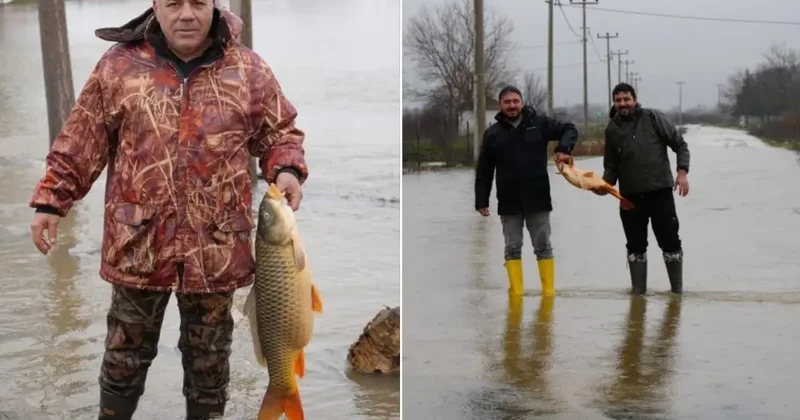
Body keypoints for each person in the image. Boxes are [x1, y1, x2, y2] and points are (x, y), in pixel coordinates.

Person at [28, 2, 308, 419]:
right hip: (137, 246)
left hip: (216, 250)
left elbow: (280, 133)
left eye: (197, 2)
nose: (187, 14)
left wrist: (286, 169)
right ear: (156, 5)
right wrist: (52, 200)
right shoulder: (118, 65)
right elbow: (80, 140)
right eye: (174, 3)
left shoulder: (248, 69)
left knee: (210, 364)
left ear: (213, 3)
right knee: (123, 358)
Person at [474, 86, 578, 297]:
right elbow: (484, 171)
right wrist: (481, 201)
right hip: (509, 201)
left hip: (538, 197)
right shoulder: (492, 134)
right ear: (500, 105)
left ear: (522, 102)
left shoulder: (539, 124)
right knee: (512, 247)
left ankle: (548, 295)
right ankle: (516, 296)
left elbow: (570, 129)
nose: (512, 105)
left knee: (543, 246)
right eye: (507, 102)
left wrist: (563, 149)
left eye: (515, 101)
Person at [593, 83, 690, 295]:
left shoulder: (653, 118)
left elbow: (680, 145)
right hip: (629, 198)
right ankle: (638, 297)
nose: (623, 104)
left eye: (626, 99)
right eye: (618, 100)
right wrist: (602, 186)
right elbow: (611, 167)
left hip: (660, 193)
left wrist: (682, 173)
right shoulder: (611, 129)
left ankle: (677, 295)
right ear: (614, 103)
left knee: (670, 243)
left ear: (635, 100)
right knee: (635, 247)